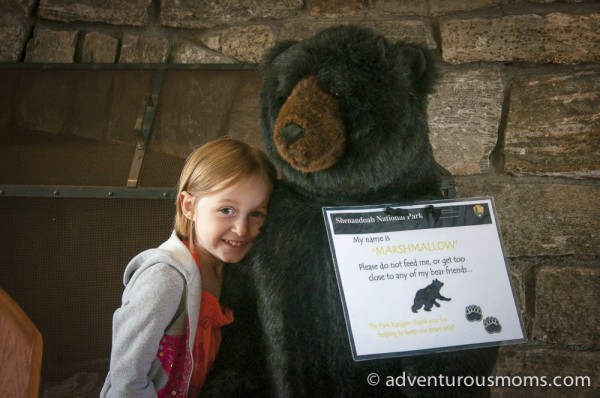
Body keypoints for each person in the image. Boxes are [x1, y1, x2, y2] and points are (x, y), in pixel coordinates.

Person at [100, 137, 277, 398]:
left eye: (256, 214)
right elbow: (127, 381)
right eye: (227, 210)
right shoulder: (164, 279)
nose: (242, 229)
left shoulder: (233, 275)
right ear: (189, 206)